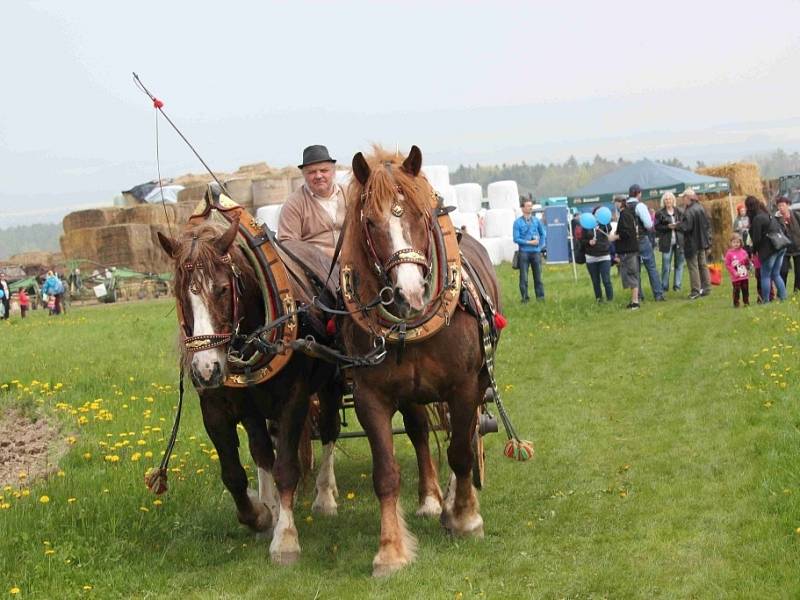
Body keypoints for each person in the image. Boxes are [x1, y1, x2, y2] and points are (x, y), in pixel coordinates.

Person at [277, 145, 345, 258]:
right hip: (316, 268)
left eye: (324, 170)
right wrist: (320, 251)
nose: (318, 176)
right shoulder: (294, 204)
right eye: (312, 172)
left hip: (354, 264)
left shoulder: (350, 194)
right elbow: (287, 244)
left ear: (333, 172)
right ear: (304, 175)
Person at [746, 195, 787, 304]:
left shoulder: (757, 219)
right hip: (780, 246)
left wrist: (753, 251)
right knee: (776, 274)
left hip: (770, 249)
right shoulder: (767, 214)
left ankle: (766, 301)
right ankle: (783, 297)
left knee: (765, 275)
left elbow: (756, 239)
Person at [627, 184, 664, 302]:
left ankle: (638, 296)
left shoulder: (625, 206)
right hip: (642, 239)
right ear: (638, 193)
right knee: (651, 267)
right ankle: (658, 294)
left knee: (635, 269)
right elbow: (648, 224)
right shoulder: (640, 206)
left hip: (630, 242)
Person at [680, 188, 712, 299]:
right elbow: (707, 224)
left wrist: (678, 225)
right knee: (703, 265)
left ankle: (695, 290)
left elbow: (686, 227)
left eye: (683, 198)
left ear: (687, 198)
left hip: (692, 243)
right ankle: (707, 287)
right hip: (701, 242)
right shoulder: (700, 207)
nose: (682, 200)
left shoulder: (689, 211)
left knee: (693, 267)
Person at [512, 199, 546, 302]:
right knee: (524, 278)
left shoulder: (536, 220)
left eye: (531, 206)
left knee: (538, 277)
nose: (530, 208)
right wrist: (529, 243)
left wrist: (540, 246)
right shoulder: (517, 222)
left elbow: (543, 234)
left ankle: (540, 298)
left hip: (536, 252)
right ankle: (525, 298)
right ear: (522, 208)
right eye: (528, 206)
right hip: (524, 252)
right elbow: (516, 238)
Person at [580, 206, 613, 302]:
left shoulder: (605, 224)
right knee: (595, 281)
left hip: (604, 255)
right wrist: (588, 242)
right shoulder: (587, 225)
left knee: (606, 280)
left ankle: (610, 300)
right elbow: (581, 240)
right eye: (597, 212)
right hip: (591, 257)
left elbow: (609, 231)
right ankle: (599, 300)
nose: (599, 214)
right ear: (593, 213)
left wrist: (603, 224)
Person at [613, 194, 640, 309]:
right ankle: (633, 300)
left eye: (615, 202)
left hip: (628, 250)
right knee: (631, 275)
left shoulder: (625, 215)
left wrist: (614, 237)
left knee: (631, 275)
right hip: (630, 249)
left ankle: (635, 302)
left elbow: (626, 233)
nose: (615, 204)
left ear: (619, 203)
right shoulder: (628, 214)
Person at [654, 192, 685, 293]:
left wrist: (677, 225)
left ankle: (677, 286)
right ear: (663, 201)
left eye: (670, 199)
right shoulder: (660, 213)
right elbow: (656, 227)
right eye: (666, 199)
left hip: (679, 241)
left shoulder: (679, 211)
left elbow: (684, 224)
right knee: (666, 266)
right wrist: (667, 227)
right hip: (666, 242)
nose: (668, 201)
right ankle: (664, 286)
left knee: (679, 264)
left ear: (673, 200)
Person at [776, 195, 800, 293]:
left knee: (799, 271)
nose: (781, 208)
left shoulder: (796, 215)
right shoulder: (776, 219)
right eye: (779, 206)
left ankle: (797, 290)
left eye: (782, 205)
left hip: (798, 247)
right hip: (784, 249)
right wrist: (781, 220)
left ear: (788, 205)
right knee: (783, 271)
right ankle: (781, 292)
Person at [724, 233, 751, 308]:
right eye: (734, 242)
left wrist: (742, 261)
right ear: (731, 243)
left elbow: (746, 261)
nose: (736, 244)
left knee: (745, 290)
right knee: (736, 291)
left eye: (738, 242)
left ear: (740, 242)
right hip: (735, 277)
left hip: (744, 276)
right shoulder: (729, 253)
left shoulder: (743, 252)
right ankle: (736, 304)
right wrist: (734, 272)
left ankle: (746, 302)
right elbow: (728, 264)